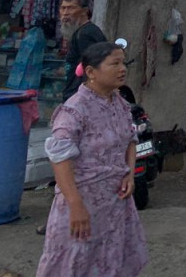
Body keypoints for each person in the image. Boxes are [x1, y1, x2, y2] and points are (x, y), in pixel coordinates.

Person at [36, 41, 148, 277]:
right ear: (91, 72)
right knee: (74, 262)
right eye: (114, 64)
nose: (122, 69)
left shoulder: (120, 104)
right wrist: (75, 204)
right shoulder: (74, 110)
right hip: (82, 202)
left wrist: (129, 174)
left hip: (115, 201)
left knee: (112, 260)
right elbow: (59, 158)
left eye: (123, 63)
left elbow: (130, 140)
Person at [60, 0, 106, 101]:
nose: (65, 13)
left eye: (71, 8)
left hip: (81, 97)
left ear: (84, 11)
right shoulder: (82, 32)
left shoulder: (85, 34)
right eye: (63, 8)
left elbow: (91, 67)